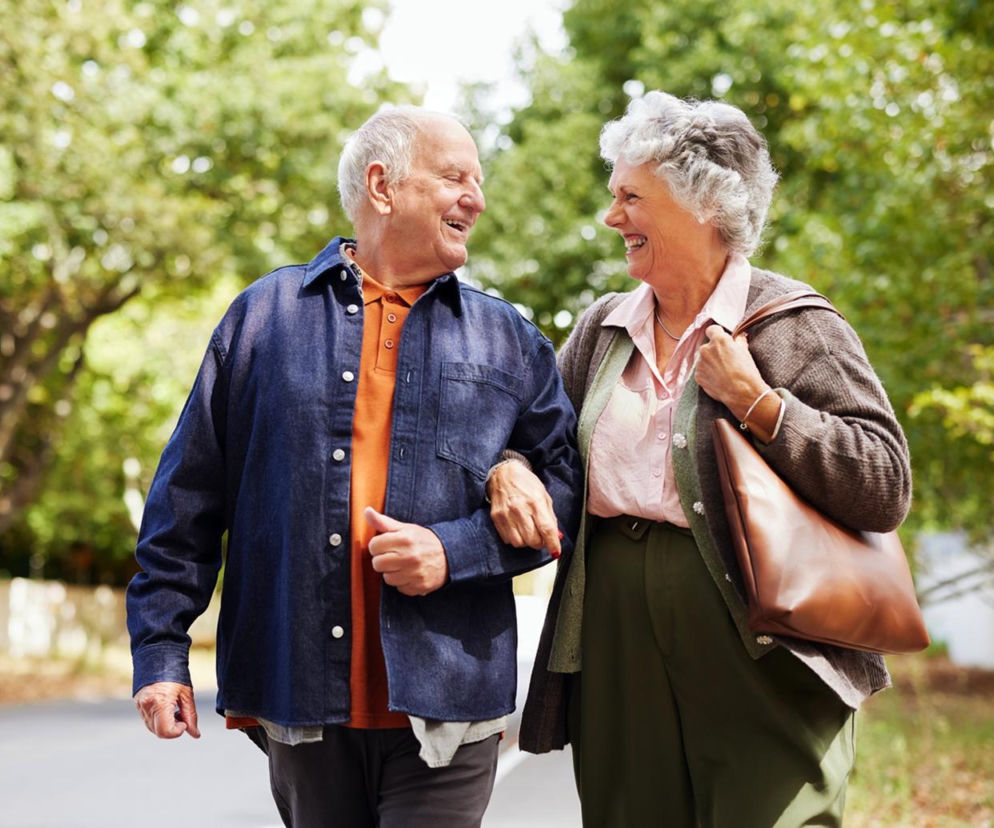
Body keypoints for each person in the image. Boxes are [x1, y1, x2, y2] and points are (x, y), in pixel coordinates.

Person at [126, 106, 583, 828]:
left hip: (451, 704)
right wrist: (160, 652)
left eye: (479, 180)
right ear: (382, 185)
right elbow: (188, 496)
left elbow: (568, 490)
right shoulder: (262, 318)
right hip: (298, 696)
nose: (478, 198)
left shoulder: (508, 338)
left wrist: (454, 550)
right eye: (454, 177)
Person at [486, 91, 911, 827]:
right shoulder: (602, 330)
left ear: (704, 202)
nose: (611, 217)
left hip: (755, 634)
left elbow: (885, 483)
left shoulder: (794, 324)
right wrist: (510, 467)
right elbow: (533, 439)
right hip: (616, 627)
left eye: (630, 197)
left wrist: (760, 403)